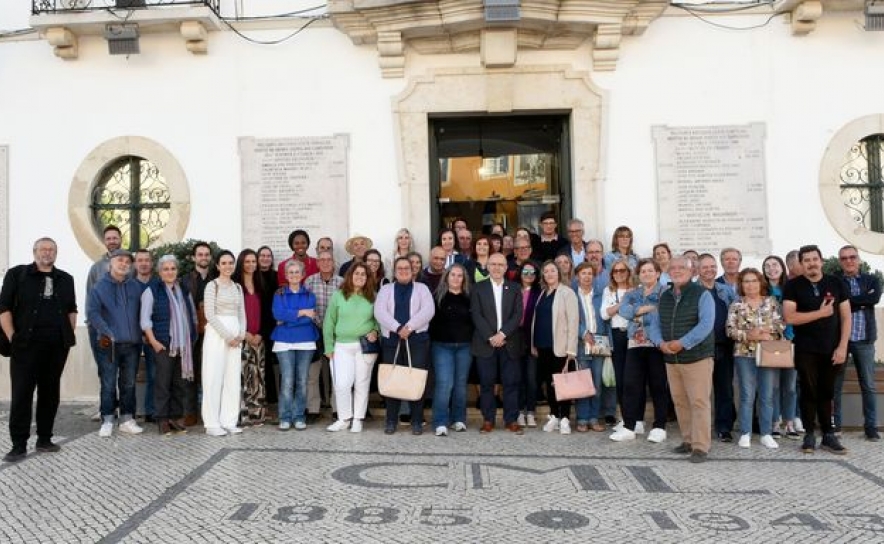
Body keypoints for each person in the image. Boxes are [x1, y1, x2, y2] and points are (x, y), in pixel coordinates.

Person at [0, 237, 77, 462]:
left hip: (56, 346)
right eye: (43, 249)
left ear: (56, 253)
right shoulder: (17, 275)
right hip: (25, 345)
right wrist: (13, 337)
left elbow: (72, 309)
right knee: (22, 393)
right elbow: (3, 308)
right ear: (34, 252)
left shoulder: (65, 279)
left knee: (50, 393)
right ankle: (18, 444)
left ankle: (44, 438)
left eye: (52, 249)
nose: (47, 253)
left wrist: (67, 334)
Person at [783, 245, 851, 455]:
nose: (811, 263)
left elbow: (846, 317)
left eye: (815, 259)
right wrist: (820, 313)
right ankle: (810, 434)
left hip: (833, 348)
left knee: (827, 391)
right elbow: (790, 317)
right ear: (801, 264)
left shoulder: (836, 283)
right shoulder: (793, 286)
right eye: (807, 260)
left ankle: (828, 435)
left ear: (821, 261)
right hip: (806, 349)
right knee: (809, 391)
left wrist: (842, 346)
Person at [647, 255, 715, 463]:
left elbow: (706, 325)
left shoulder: (702, 294)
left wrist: (682, 343)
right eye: (673, 267)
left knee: (699, 402)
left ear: (692, 271)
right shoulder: (665, 296)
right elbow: (654, 325)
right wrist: (660, 343)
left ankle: (700, 447)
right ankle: (688, 440)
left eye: (681, 268)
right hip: (672, 359)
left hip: (697, 357)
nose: (676, 271)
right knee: (680, 402)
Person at [87, 249, 145, 438]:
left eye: (127, 262)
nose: (124, 264)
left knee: (128, 384)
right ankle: (108, 419)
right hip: (108, 344)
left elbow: (142, 313)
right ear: (111, 263)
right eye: (120, 260)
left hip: (132, 344)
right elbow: (93, 313)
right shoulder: (99, 287)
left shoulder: (136, 286)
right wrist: (108, 332)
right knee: (109, 383)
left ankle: (127, 419)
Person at [726, 268, 786, 450]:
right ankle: (746, 433)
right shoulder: (736, 305)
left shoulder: (771, 302)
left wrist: (769, 334)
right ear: (741, 285)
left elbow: (780, 324)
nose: (750, 284)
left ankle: (766, 433)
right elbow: (729, 330)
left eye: (753, 281)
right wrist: (748, 335)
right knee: (746, 395)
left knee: (767, 395)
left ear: (760, 283)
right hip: (744, 355)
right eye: (746, 281)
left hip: (768, 353)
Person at [375, 257, 436, 435]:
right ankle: (391, 420)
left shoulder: (422, 289)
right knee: (392, 379)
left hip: (417, 341)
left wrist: (409, 328)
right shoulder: (386, 290)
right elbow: (379, 311)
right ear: (394, 271)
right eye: (399, 268)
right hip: (392, 341)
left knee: (415, 380)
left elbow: (428, 310)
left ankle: (416, 420)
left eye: (406, 268)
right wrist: (397, 328)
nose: (403, 271)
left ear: (413, 270)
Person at [610, 258, 668, 443]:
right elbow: (624, 311)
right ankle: (629, 426)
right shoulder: (633, 293)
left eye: (650, 271)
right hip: (635, 344)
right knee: (630, 385)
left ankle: (659, 426)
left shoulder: (665, 293)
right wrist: (647, 308)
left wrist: (638, 311)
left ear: (658, 273)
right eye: (643, 271)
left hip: (656, 343)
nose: (647, 274)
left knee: (658, 385)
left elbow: (661, 313)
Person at [141, 255, 197, 436]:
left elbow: (191, 316)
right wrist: (154, 342)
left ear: (177, 271)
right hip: (163, 345)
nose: (170, 272)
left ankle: (176, 417)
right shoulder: (152, 290)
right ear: (159, 272)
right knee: (163, 384)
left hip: (183, 346)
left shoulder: (184, 290)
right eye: (166, 269)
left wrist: (192, 337)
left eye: (173, 268)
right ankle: (163, 419)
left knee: (179, 384)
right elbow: (145, 320)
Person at [471, 253, 524, 434]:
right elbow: (476, 315)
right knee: (486, 384)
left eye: (500, 264)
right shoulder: (478, 288)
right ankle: (488, 420)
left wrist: (502, 334)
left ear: (506, 267)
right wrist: (491, 336)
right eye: (493, 264)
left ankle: (511, 420)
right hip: (486, 344)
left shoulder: (515, 288)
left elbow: (517, 315)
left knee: (511, 383)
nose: (496, 267)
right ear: (488, 267)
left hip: (509, 343)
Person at [323, 262, 379, 432]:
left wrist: (375, 331)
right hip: (341, 346)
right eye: (357, 273)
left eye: (364, 274)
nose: (360, 277)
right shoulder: (338, 295)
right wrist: (328, 346)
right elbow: (329, 322)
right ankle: (344, 418)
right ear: (350, 276)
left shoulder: (373, 296)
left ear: (368, 278)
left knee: (362, 383)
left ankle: (358, 419)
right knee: (341, 384)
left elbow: (379, 320)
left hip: (364, 346)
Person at [834, 245, 880, 441]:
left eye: (852, 257)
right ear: (840, 262)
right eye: (844, 258)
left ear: (859, 259)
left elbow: (874, 298)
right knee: (835, 385)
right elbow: (835, 303)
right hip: (840, 340)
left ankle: (870, 427)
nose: (849, 261)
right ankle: (835, 425)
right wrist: (861, 301)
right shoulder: (835, 281)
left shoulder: (872, 280)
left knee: (868, 385)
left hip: (864, 339)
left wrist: (849, 302)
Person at [201, 250, 247, 437]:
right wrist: (228, 336)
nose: (228, 266)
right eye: (224, 263)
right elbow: (209, 315)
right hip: (217, 335)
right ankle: (212, 423)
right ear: (218, 266)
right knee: (213, 378)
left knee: (232, 379)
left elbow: (241, 313)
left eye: (231, 263)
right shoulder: (212, 286)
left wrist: (241, 334)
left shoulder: (237, 287)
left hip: (236, 337)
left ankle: (229, 420)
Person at [532, 260, 579, 435]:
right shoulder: (542, 293)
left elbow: (573, 322)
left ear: (558, 273)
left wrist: (571, 351)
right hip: (543, 346)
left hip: (560, 346)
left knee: (562, 384)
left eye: (553, 270)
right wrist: (533, 344)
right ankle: (554, 415)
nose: (549, 274)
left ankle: (565, 417)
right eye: (546, 271)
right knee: (550, 383)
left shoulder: (567, 293)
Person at [271, 260, 318, 431]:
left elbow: (309, 319)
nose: (293, 275)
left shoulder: (310, 295)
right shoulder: (279, 294)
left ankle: (299, 416)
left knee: (302, 380)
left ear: (303, 274)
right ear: (286, 275)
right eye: (290, 272)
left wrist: (286, 320)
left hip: (305, 341)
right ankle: (285, 416)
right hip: (284, 342)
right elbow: (277, 313)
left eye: (297, 272)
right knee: (287, 380)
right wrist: (301, 312)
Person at [697, 253, 738, 442]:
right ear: (697, 269)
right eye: (705, 267)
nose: (710, 270)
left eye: (712, 266)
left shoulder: (725, 290)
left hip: (724, 346)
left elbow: (736, 312)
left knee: (725, 389)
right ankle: (700, 427)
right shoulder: (692, 291)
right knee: (700, 391)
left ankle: (724, 427)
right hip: (700, 348)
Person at [85, 225, 124, 421]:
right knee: (105, 370)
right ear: (104, 241)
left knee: (123, 371)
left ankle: (123, 409)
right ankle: (107, 407)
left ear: (121, 239)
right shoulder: (96, 268)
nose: (111, 241)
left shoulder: (129, 266)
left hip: (123, 329)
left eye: (115, 238)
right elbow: (89, 297)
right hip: (100, 329)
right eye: (108, 238)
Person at [430, 264, 474, 436]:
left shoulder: (470, 297)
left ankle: (459, 419)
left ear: (464, 279)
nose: (456, 278)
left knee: (461, 385)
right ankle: (440, 421)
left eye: (459, 276)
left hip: (465, 346)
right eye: (453, 275)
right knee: (444, 384)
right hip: (441, 346)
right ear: (446, 277)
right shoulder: (437, 297)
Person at [763, 254, 800, 439]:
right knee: (774, 387)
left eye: (775, 265)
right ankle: (775, 422)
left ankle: (790, 422)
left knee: (791, 386)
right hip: (771, 343)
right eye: (767, 266)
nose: (772, 268)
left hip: (791, 341)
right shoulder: (762, 290)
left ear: (782, 267)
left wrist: (790, 336)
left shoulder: (792, 288)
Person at [304, 250, 344, 424]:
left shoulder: (342, 282)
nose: (326, 263)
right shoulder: (309, 281)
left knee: (338, 372)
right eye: (322, 260)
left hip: (336, 333)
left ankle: (338, 408)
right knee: (312, 373)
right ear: (317, 263)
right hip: (313, 331)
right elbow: (303, 304)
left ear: (333, 262)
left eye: (329, 260)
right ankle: (313, 408)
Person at [233, 249, 267, 426]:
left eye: (253, 261)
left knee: (258, 377)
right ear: (241, 263)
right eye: (247, 261)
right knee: (242, 376)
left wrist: (260, 334)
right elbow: (232, 313)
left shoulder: (261, 284)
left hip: (259, 339)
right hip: (241, 338)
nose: (251, 264)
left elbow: (267, 313)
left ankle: (257, 415)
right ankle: (242, 414)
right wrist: (244, 334)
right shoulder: (235, 285)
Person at [183, 241, 215, 426]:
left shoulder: (216, 279)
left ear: (210, 257)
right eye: (200, 254)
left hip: (212, 332)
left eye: (206, 254)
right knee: (190, 372)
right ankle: (190, 413)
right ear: (194, 257)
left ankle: (208, 412)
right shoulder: (185, 280)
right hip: (191, 333)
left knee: (210, 372)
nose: (203, 257)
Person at [600, 258, 634, 421]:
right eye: (616, 271)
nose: (619, 274)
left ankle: (636, 417)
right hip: (617, 335)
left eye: (622, 270)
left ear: (628, 272)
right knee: (620, 378)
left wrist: (616, 308)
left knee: (634, 377)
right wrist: (622, 303)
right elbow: (604, 314)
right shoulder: (609, 291)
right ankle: (626, 418)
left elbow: (637, 312)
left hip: (634, 335)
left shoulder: (637, 289)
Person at [516, 261, 542, 428]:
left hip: (532, 340)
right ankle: (518, 412)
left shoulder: (539, 292)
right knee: (517, 378)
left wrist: (536, 343)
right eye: (525, 271)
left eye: (532, 272)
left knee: (532, 379)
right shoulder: (512, 289)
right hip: (515, 339)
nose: (528, 275)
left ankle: (531, 412)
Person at [257, 245, 279, 419]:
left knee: (270, 367)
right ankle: (258, 402)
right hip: (257, 325)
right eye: (262, 255)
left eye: (268, 256)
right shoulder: (253, 276)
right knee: (258, 366)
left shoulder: (276, 276)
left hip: (273, 325)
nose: (265, 258)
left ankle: (271, 403)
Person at [133, 249, 156, 423]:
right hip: (132, 337)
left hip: (152, 337)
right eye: (140, 260)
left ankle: (151, 411)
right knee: (129, 375)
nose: (143, 263)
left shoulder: (157, 284)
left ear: (152, 263)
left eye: (147, 260)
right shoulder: (129, 285)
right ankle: (130, 412)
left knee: (154, 374)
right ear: (135, 264)